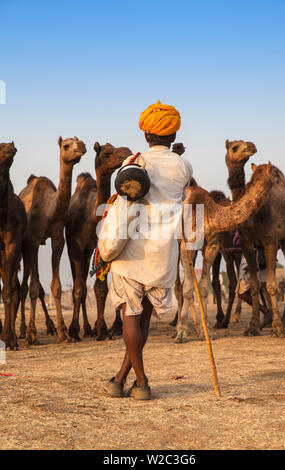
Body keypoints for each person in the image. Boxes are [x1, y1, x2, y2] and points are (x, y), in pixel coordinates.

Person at [98, 100, 193, 400]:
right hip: (163, 256)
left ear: (146, 136)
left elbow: (125, 206)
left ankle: (142, 382)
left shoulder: (134, 165)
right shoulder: (184, 166)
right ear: (173, 135)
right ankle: (120, 378)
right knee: (145, 319)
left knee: (130, 316)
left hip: (131, 254)